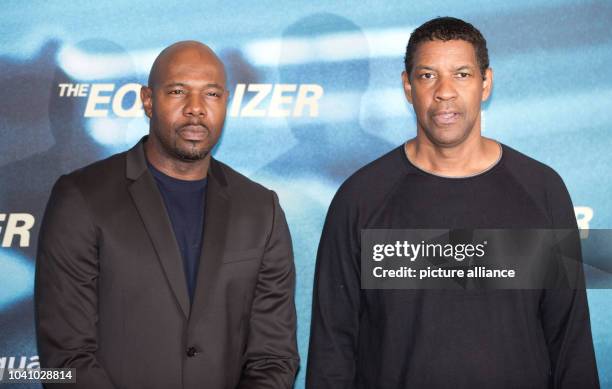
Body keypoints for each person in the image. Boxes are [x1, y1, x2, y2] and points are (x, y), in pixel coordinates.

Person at [306, 17, 599, 389]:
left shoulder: (542, 190)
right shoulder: (360, 198)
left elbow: (570, 344)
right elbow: (333, 349)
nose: (445, 91)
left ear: (485, 83)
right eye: (428, 75)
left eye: (461, 74)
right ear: (408, 87)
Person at [35, 41, 299, 389]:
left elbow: (274, 356)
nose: (196, 109)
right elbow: (65, 359)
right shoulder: (81, 198)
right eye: (178, 91)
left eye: (211, 94)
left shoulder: (261, 209)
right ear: (148, 100)